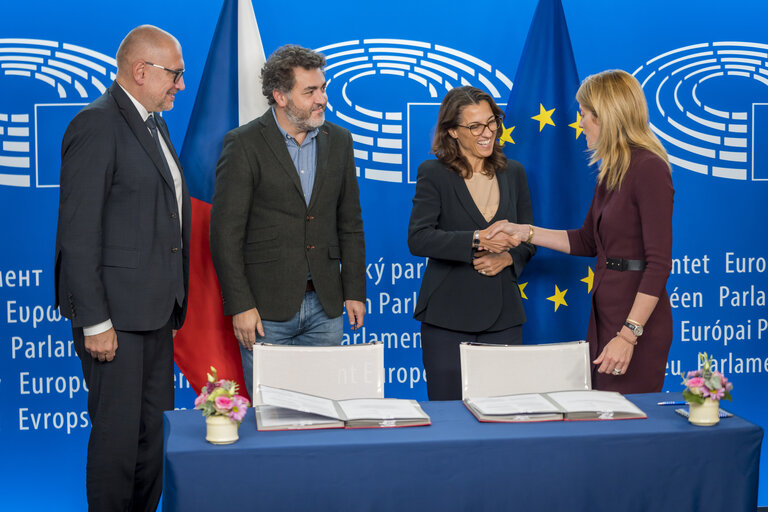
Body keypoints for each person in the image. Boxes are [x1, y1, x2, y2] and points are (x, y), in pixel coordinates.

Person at [54, 25, 190, 511]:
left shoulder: (156, 123)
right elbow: (79, 233)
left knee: (152, 440)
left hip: (156, 314)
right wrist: (95, 321)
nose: (179, 85)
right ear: (141, 71)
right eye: (174, 74)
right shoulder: (97, 124)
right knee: (117, 444)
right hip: (114, 322)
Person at [486, 69, 674, 394]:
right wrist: (524, 231)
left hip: (635, 321)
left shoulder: (649, 169)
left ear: (607, 117)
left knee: (627, 424)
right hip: (605, 311)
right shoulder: (612, 171)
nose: (581, 123)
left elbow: (659, 264)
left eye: (584, 115)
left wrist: (629, 335)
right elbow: (586, 240)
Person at [210, 45, 366, 399]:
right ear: (280, 96)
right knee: (272, 417)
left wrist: (354, 289)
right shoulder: (244, 143)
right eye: (310, 91)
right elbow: (225, 235)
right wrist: (240, 305)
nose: (321, 99)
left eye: (322, 88)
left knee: (326, 411)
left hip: (326, 306)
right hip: (265, 310)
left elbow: (350, 223)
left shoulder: (339, 141)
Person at [408, 86, 536, 401]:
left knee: (505, 411)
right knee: (450, 417)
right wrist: (478, 239)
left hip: (503, 315)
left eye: (491, 122)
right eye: (474, 126)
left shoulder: (514, 173)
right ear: (452, 131)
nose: (486, 132)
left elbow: (528, 238)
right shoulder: (433, 173)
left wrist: (508, 259)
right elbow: (419, 238)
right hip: (447, 316)